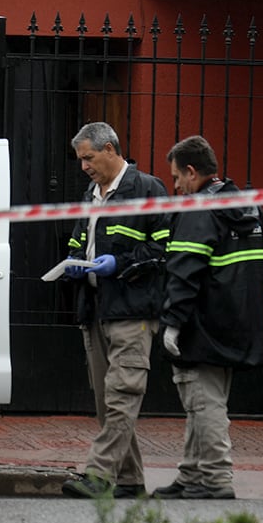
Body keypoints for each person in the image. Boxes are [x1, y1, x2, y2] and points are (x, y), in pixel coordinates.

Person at [154, 135, 263, 500]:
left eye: (177, 178)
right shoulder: (246, 206)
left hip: (201, 327)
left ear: (192, 172)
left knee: (204, 404)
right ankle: (191, 476)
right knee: (202, 401)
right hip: (238, 324)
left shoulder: (197, 210)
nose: (176, 187)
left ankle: (216, 480)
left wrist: (173, 324)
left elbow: (184, 272)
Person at [59, 122, 170, 499]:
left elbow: (162, 250)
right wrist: (74, 262)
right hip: (95, 311)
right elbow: (78, 240)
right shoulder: (90, 194)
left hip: (132, 313)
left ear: (111, 150)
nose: (84, 166)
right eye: (80, 160)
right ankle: (129, 481)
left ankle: (99, 475)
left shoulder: (148, 190)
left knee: (122, 396)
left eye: (89, 158)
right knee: (108, 402)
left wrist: (118, 265)